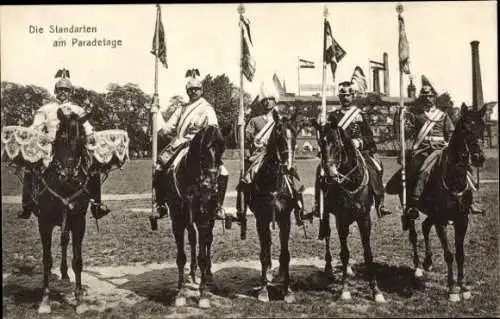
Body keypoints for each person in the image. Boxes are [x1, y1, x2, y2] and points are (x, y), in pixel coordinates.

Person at [17, 69, 111, 220]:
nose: (63, 92)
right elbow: (35, 128)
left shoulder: (78, 110)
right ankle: (27, 204)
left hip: (75, 149)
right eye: (60, 89)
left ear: (70, 92)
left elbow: (88, 129)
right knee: (30, 167)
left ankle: (96, 205)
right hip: (49, 147)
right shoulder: (45, 109)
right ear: (55, 91)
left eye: (66, 90)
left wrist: (92, 138)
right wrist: (27, 133)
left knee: (94, 168)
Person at [399, 76, 483, 226]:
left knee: (464, 167)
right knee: (423, 170)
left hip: (442, 148)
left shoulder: (443, 115)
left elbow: (450, 133)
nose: (428, 99)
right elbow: (408, 133)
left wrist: (447, 143)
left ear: (434, 98)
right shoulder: (416, 115)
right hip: (424, 150)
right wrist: (401, 118)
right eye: (424, 96)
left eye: (430, 96)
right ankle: (415, 203)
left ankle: (470, 201)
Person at [306, 81, 391, 225]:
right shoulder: (333, 115)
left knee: (376, 166)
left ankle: (379, 203)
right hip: (338, 153)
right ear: (339, 97)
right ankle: (318, 205)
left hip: (358, 151)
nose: (345, 98)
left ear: (353, 96)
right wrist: (321, 126)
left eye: (348, 95)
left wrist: (359, 142)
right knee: (320, 170)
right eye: (342, 95)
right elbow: (326, 137)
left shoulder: (360, 115)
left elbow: (369, 137)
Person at [150, 69, 229, 222]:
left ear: (201, 90)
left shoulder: (208, 109)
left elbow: (213, 131)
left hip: (202, 148)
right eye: (190, 89)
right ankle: (160, 205)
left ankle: (218, 206)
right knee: (160, 167)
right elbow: (165, 130)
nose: (193, 92)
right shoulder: (182, 108)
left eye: (196, 89)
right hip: (180, 145)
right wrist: (156, 112)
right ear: (187, 91)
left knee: (223, 172)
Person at [236, 83, 306, 226]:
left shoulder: (281, 119)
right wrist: (240, 127)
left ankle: (299, 209)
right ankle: (241, 210)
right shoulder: (255, 120)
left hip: (279, 154)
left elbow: (289, 133)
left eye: (270, 99)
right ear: (262, 103)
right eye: (265, 100)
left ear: (275, 101)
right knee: (246, 178)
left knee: (293, 174)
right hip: (260, 154)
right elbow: (246, 138)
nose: (267, 102)